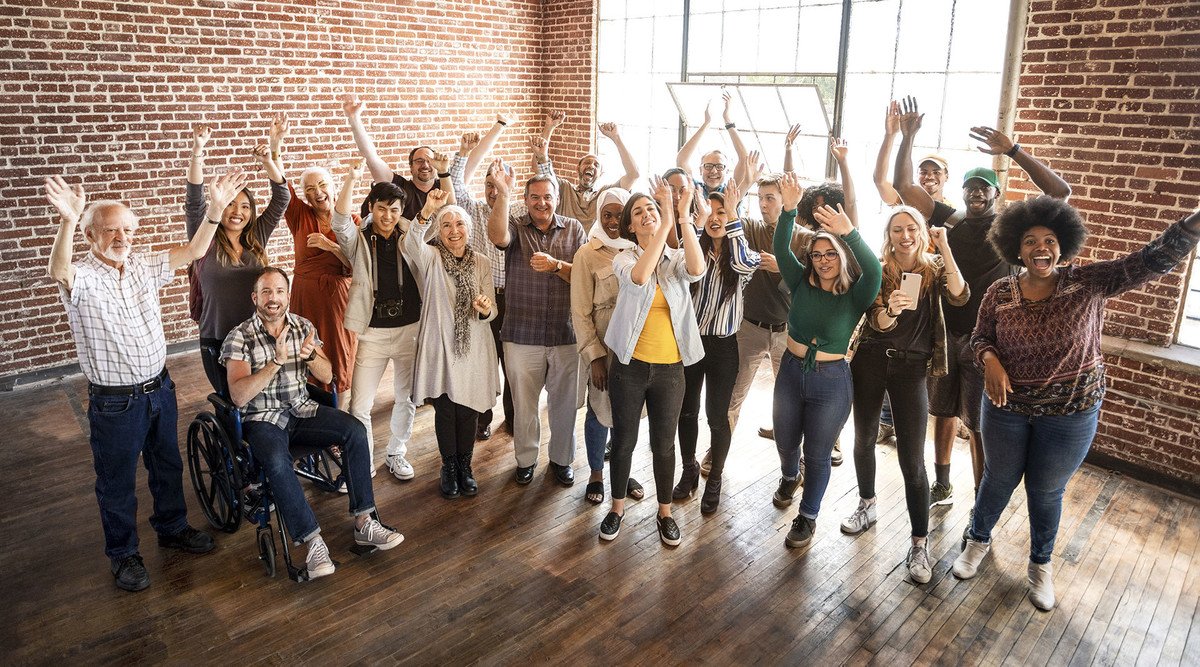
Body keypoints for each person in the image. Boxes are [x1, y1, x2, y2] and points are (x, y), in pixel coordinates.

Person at [953, 198, 1200, 610]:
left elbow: (1150, 260)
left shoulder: (1088, 282)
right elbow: (980, 338)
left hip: (1071, 413)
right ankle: (977, 540)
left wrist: (1193, 224)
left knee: (1045, 490)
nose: (1040, 248)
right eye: (1029, 241)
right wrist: (990, 360)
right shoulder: (999, 292)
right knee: (997, 479)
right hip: (1006, 407)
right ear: (1016, 248)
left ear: (1062, 246)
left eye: (1049, 240)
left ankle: (1040, 565)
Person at [45, 172, 244, 591]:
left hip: (160, 389)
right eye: (111, 229)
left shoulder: (143, 264)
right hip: (115, 403)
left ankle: (172, 527)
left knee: (167, 466)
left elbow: (194, 250)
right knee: (116, 482)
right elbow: (58, 269)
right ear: (90, 236)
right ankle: (124, 555)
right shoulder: (82, 277)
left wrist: (214, 212)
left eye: (128, 229)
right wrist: (67, 220)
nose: (122, 237)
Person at [892, 96, 1071, 517]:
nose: (975, 194)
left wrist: (1013, 151)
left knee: (979, 425)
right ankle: (941, 483)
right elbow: (904, 188)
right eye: (970, 188)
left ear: (996, 193)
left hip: (987, 344)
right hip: (945, 334)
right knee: (942, 411)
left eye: (983, 189)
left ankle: (980, 500)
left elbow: (1060, 193)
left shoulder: (1012, 229)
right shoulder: (951, 220)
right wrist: (908, 138)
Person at [223, 267, 404, 580]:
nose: (273, 298)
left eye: (279, 291)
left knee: (355, 430)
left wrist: (310, 357)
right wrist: (275, 363)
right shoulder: (240, 336)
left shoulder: (302, 326)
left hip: (302, 409)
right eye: (266, 292)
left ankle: (365, 521)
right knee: (277, 463)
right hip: (263, 418)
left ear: (288, 296)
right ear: (255, 298)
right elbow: (238, 396)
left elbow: (327, 376)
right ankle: (312, 541)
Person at [842, 207, 968, 584]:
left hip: (912, 367)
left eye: (911, 228)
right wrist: (890, 312)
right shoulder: (878, 268)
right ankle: (867, 504)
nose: (905, 235)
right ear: (889, 233)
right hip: (870, 360)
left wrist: (944, 248)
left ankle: (918, 542)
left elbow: (960, 296)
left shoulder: (934, 268)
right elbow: (875, 320)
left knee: (913, 459)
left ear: (921, 232)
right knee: (863, 438)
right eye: (897, 229)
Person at [773, 172, 881, 554]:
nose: (822, 261)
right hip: (790, 371)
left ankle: (808, 515)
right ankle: (790, 475)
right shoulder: (800, 282)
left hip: (831, 381)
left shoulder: (856, 294)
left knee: (818, 454)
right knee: (786, 441)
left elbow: (875, 269)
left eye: (830, 253)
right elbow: (781, 249)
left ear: (842, 257)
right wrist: (788, 211)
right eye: (817, 255)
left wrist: (849, 232)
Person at [600, 177, 707, 546]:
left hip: (670, 369)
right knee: (625, 440)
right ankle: (616, 509)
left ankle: (665, 513)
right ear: (630, 225)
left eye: (652, 208)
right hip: (629, 367)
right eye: (639, 212)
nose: (647, 215)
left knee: (664, 443)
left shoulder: (674, 259)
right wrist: (664, 223)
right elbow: (641, 277)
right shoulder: (624, 257)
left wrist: (682, 216)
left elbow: (697, 270)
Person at [330, 157, 435, 481]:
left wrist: (426, 211)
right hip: (372, 332)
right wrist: (350, 178)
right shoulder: (359, 237)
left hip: (410, 329)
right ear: (371, 207)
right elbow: (339, 223)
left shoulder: (412, 233)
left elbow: (421, 237)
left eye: (394, 209)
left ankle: (396, 453)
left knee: (407, 398)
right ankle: (363, 459)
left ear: (401, 210)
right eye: (381, 209)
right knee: (360, 404)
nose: (388, 216)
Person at [486, 160, 587, 487]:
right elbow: (497, 236)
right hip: (521, 335)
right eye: (534, 197)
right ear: (526, 200)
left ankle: (561, 460)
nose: (541, 203)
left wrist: (557, 265)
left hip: (565, 334)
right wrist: (503, 193)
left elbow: (585, 278)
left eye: (547, 197)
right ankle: (525, 461)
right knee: (525, 406)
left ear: (557, 198)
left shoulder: (574, 229)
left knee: (564, 406)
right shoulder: (515, 225)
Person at [450, 120, 544, 439]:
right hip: (483, 298)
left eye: (499, 184)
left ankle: (514, 418)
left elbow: (545, 188)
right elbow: (457, 184)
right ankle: (483, 417)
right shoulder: (473, 208)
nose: (493, 190)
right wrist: (463, 153)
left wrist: (539, 156)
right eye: (489, 184)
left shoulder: (518, 211)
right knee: (484, 361)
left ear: (509, 185)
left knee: (514, 364)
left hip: (515, 298)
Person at [405, 190, 500, 499]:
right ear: (439, 231)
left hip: (474, 346)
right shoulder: (430, 257)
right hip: (441, 343)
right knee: (446, 409)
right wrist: (428, 211)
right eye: (446, 225)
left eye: (460, 224)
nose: (454, 231)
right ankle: (448, 467)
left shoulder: (482, 262)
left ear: (469, 229)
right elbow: (410, 243)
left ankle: (465, 466)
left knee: (469, 408)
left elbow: (492, 309)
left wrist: (484, 307)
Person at [674, 182, 760, 514]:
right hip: (691, 344)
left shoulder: (743, 252)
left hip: (724, 347)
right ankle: (689, 469)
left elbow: (741, 264)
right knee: (686, 411)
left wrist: (734, 216)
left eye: (721, 211)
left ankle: (715, 479)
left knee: (717, 416)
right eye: (708, 211)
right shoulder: (691, 248)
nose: (714, 218)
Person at [186, 120, 290, 392]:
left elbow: (282, 198)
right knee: (229, 400)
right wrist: (198, 150)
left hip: (256, 335)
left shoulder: (257, 236)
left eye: (245, 206)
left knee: (256, 398)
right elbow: (194, 198)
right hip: (217, 338)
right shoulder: (204, 236)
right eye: (230, 203)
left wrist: (269, 160)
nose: (237, 211)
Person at [570, 187, 644, 504]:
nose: (613, 222)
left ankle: (622, 472)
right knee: (600, 411)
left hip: (637, 347)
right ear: (600, 216)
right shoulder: (587, 254)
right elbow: (580, 312)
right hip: (604, 347)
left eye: (619, 215)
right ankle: (597, 474)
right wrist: (595, 358)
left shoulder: (641, 249)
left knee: (627, 413)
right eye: (607, 215)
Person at [282, 126, 357, 405]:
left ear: (333, 187)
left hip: (338, 300)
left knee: (339, 356)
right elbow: (280, 185)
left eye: (323, 185)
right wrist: (275, 146)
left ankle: (341, 418)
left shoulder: (353, 221)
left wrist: (331, 246)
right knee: (305, 351)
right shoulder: (300, 215)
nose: (318, 192)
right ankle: (309, 408)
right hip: (304, 297)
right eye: (310, 189)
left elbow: (356, 266)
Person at [341, 93, 454, 220]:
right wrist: (354, 119)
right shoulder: (400, 187)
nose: (425, 165)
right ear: (410, 167)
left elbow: (452, 208)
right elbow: (371, 157)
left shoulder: (445, 184)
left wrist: (444, 172)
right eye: (419, 161)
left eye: (429, 160)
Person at [536, 111, 640, 228]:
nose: (591, 166)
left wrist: (616, 138)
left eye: (596, 165)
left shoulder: (606, 194)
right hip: (566, 244)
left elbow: (633, 174)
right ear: (578, 168)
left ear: (601, 174)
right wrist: (549, 127)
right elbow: (540, 166)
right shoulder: (564, 189)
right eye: (587, 162)